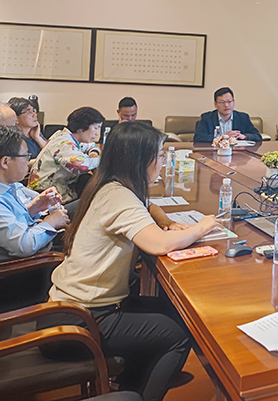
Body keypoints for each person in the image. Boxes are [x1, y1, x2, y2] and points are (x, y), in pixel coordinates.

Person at [49, 121, 219, 401]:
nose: (163, 163)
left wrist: (163, 220)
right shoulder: (119, 197)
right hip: (81, 321)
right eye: (160, 156)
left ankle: (129, 388)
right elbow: (159, 244)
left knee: (173, 312)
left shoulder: (109, 185)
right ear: (140, 160)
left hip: (72, 308)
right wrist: (201, 227)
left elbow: (146, 206)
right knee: (178, 335)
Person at [0, 126, 68, 261]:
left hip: (34, 245)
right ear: (5, 162)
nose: (28, 162)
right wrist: (50, 223)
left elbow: (11, 224)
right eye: (25, 156)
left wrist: (33, 208)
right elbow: (24, 245)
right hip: (23, 265)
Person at [29, 107, 104, 204]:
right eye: (96, 128)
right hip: (47, 198)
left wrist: (93, 153)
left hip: (57, 192)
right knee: (94, 202)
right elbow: (82, 166)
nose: (97, 133)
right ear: (81, 128)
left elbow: (92, 146)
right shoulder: (64, 143)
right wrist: (103, 160)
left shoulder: (65, 136)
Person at [192, 87, 261, 143]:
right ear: (215, 104)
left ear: (233, 102)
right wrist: (224, 137)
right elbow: (198, 137)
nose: (226, 105)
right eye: (222, 102)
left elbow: (257, 136)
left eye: (229, 101)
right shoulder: (207, 118)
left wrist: (245, 136)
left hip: (237, 153)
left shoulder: (243, 117)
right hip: (213, 153)